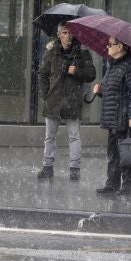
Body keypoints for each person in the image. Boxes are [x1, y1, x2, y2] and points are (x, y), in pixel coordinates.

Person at [36, 22, 96, 181]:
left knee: (74, 136)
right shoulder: (50, 52)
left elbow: (91, 74)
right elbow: (42, 74)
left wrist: (77, 72)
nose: (68, 36)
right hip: (53, 100)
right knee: (50, 136)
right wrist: (45, 95)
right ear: (59, 34)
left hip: (72, 100)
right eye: (64, 32)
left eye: (70, 33)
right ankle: (47, 167)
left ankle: (74, 169)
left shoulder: (82, 52)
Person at [91, 36, 131, 196]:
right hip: (114, 118)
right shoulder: (113, 66)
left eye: (110, 44)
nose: (107, 47)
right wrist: (100, 91)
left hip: (127, 118)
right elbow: (113, 91)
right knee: (114, 153)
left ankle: (128, 188)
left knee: (128, 153)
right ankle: (112, 185)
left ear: (121, 46)